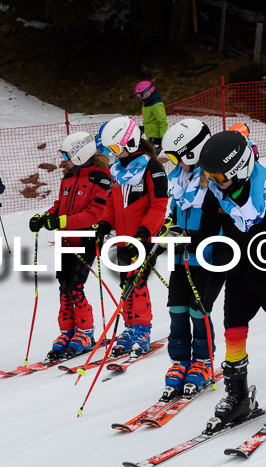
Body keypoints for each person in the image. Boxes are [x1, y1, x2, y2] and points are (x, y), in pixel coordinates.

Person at [197, 130, 266, 426]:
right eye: (211, 178)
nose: (216, 184)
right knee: (233, 332)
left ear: (240, 168)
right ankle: (238, 395)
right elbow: (205, 234)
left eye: (220, 177)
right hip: (237, 276)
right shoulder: (216, 196)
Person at [29, 132, 111, 359]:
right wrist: (44, 217)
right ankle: (67, 331)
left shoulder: (100, 178)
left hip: (86, 239)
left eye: (66, 155)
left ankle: (85, 331)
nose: (63, 159)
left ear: (80, 153)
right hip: (66, 239)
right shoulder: (68, 177)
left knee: (75, 285)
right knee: (63, 285)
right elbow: (59, 205)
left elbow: (95, 214)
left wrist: (60, 221)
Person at [159, 118, 225, 393]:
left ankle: (202, 360)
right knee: (176, 307)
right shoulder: (180, 179)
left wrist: (195, 241)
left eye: (178, 158)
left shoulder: (214, 181)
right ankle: (180, 360)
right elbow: (174, 214)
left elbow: (223, 223)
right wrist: (165, 231)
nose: (176, 164)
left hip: (207, 258)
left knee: (199, 310)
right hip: (180, 257)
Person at [94, 116, 168, 355]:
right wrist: (105, 224)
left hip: (144, 238)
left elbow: (158, 205)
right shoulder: (116, 169)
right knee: (126, 283)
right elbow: (112, 204)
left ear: (131, 142)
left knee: (137, 284)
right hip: (123, 238)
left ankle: (142, 329)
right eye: (110, 149)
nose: (114, 153)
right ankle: (129, 326)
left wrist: (146, 232)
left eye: (116, 148)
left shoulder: (152, 168)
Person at [135, 81, 168, 154]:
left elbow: (163, 121)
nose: (139, 98)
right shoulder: (146, 103)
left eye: (140, 95)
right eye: (137, 96)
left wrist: (164, 138)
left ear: (147, 92)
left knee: (149, 158)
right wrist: (143, 128)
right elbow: (150, 120)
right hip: (150, 136)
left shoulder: (156, 105)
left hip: (156, 138)